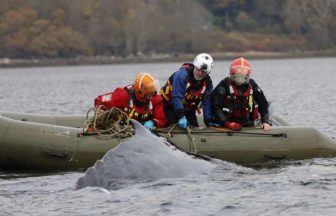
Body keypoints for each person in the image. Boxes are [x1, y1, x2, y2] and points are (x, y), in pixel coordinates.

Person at [211, 57, 271, 131]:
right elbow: (216, 107)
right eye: (237, 77)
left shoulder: (252, 85)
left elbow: (263, 104)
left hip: (247, 123)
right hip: (227, 123)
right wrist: (227, 123)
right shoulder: (224, 84)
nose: (239, 80)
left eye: (242, 77)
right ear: (232, 73)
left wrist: (266, 122)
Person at [94, 73, 167, 130]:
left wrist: (153, 122)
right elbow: (99, 100)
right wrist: (105, 118)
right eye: (150, 93)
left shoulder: (156, 100)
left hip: (143, 130)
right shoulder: (122, 96)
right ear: (141, 92)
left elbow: (161, 120)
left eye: (154, 92)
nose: (153, 95)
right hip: (122, 127)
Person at [160, 53, 214, 129]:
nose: (200, 73)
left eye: (203, 72)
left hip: (188, 108)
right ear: (195, 66)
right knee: (175, 127)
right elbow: (176, 97)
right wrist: (181, 116)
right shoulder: (182, 75)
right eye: (198, 70)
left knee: (194, 127)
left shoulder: (207, 81)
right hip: (169, 106)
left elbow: (207, 101)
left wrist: (208, 121)